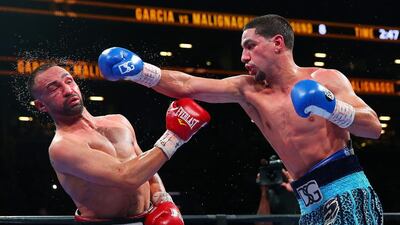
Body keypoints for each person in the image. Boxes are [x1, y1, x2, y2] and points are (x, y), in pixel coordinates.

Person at [98, 14, 383, 225]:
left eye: (250, 46)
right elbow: (186, 85)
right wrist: (138, 71)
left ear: (277, 43)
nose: (244, 56)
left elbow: (372, 127)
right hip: (308, 206)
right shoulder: (247, 90)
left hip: (348, 191)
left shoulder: (326, 79)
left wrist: (331, 107)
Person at [27, 63, 211, 224]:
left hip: (147, 218)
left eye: (68, 81)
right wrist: (174, 137)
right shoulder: (62, 147)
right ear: (41, 105)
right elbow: (126, 177)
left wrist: (164, 201)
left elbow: (148, 170)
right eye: (54, 88)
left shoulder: (119, 121)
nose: (67, 90)